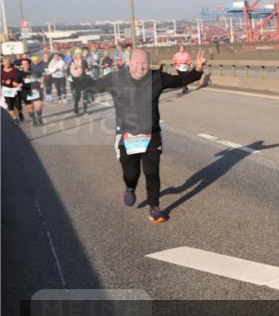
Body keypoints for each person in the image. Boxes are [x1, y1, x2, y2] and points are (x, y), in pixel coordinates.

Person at [79, 48, 206, 223]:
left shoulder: (157, 77)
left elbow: (181, 80)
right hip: (126, 135)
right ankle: (130, 187)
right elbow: (92, 88)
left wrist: (198, 70)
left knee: (151, 171)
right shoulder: (115, 78)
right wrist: (79, 77)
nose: (141, 67)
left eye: (144, 63)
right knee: (131, 173)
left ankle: (154, 207)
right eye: (137, 63)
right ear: (129, 63)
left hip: (151, 134)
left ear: (149, 64)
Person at [20, 57, 45, 125]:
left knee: (38, 106)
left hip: (36, 90)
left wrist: (42, 83)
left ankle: (40, 119)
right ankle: (34, 120)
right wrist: (18, 84)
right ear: (21, 65)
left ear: (29, 64)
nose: (25, 65)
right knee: (30, 108)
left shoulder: (35, 71)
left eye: (26, 63)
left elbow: (41, 76)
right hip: (26, 92)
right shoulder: (19, 73)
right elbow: (15, 82)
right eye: (23, 64)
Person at [2, 57, 24, 124]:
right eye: (5, 62)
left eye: (8, 62)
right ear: (3, 63)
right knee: (10, 106)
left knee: (18, 106)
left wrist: (19, 83)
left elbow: (21, 77)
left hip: (16, 89)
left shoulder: (15, 70)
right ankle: (15, 119)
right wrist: (5, 82)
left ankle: (20, 113)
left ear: (10, 63)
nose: (7, 64)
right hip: (7, 90)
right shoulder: (1, 72)